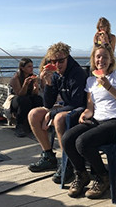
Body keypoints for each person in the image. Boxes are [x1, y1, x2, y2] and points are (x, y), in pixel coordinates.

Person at [62, 43, 116, 199]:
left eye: (105, 57)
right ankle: (81, 174)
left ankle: (103, 176)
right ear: (94, 59)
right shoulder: (90, 81)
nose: (101, 59)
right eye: (98, 56)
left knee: (82, 142)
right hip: (97, 120)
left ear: (111, 60)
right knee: (67, 138)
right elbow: (90, 106)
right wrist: (85, 114)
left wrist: (109, 87)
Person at [27, 42, 87, 183]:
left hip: (81, 109)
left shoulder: (77, 73)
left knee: (59, 118)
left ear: (68, 58)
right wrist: (48, 83)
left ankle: (68, 164)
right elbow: (48, 104)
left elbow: (77, 103)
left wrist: (52, 113)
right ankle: (48, 156)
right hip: (66, 107)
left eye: (61, 61)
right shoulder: (55, 74)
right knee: (33, 114)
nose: (57, 64)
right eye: (53, 61)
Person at [9, 57, 43, 137]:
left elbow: (35, 93)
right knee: (24, 100)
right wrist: (25, 84)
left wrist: (35, 87)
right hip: (16, 99)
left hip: (28, 97)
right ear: (22, 68)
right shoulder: (16, 78)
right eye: (29, 66)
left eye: (32, 66)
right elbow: (20, 94)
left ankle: (36, 122)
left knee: (38, 99)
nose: (32, 68)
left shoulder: (32, 77)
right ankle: (19, 125)